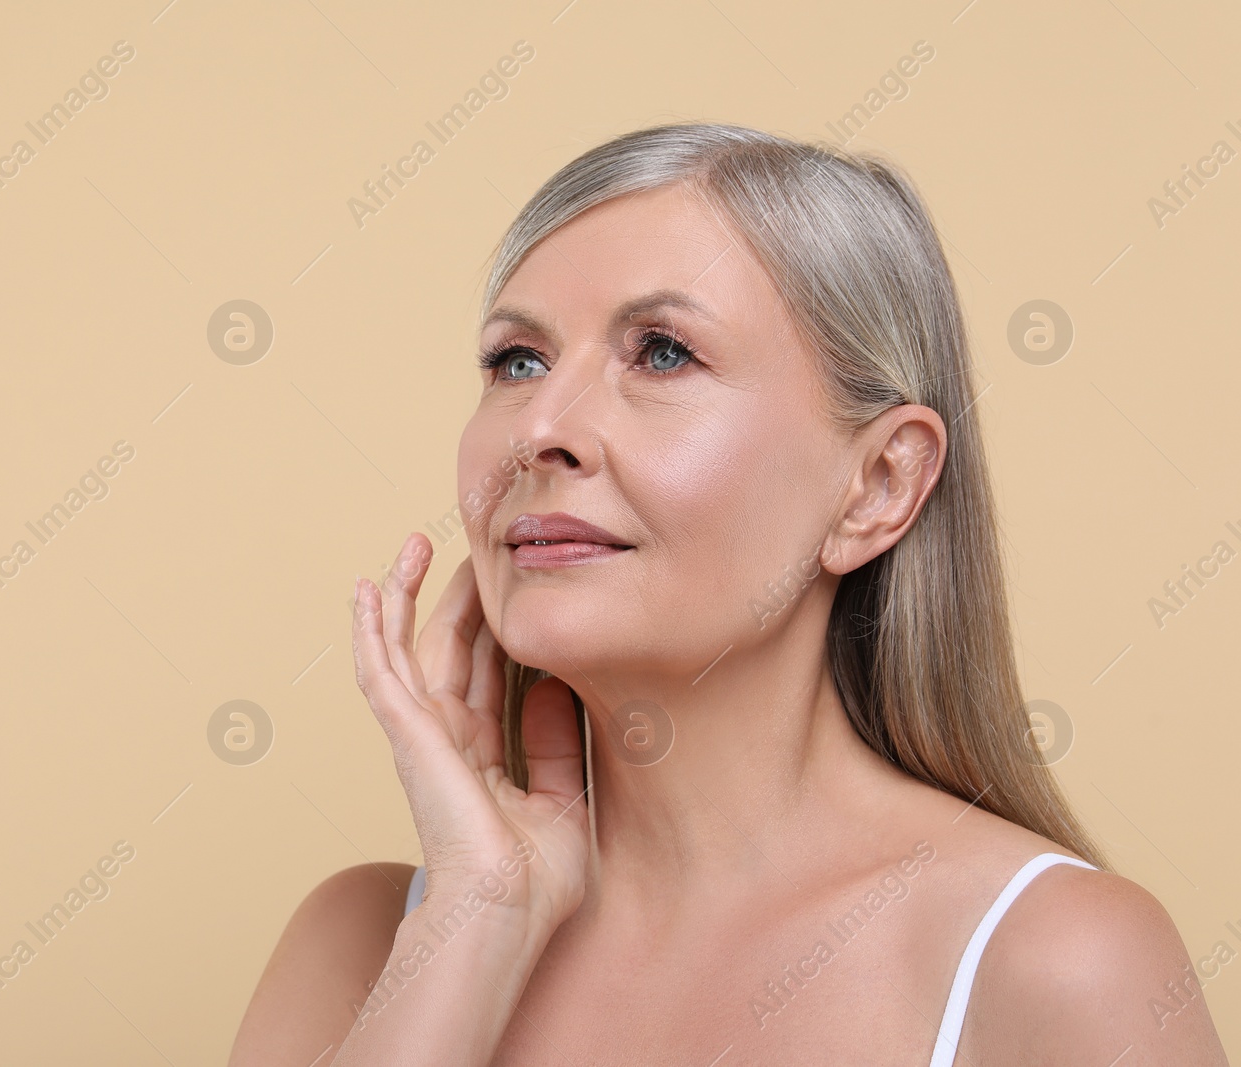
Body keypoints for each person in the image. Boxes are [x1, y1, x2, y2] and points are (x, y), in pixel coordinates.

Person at [228, 123, 1230, 1065]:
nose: (539, 428)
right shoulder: (359, 947)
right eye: (516, 359)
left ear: (876, 485)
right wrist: (474, 920)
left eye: (662, 350)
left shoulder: (1056, 959)